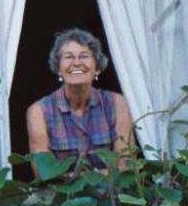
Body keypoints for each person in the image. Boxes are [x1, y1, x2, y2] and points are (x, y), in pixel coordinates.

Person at [25, 27, 134, 172]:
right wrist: (101, 175)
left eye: (84, 56)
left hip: (112, 193)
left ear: (97, 68)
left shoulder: (117, 104)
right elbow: (43, 172)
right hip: (62, 194)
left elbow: (125, 166)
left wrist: (74, 178)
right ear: (58, 68)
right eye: (68, 57)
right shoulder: (38, 112)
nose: (76, 63)